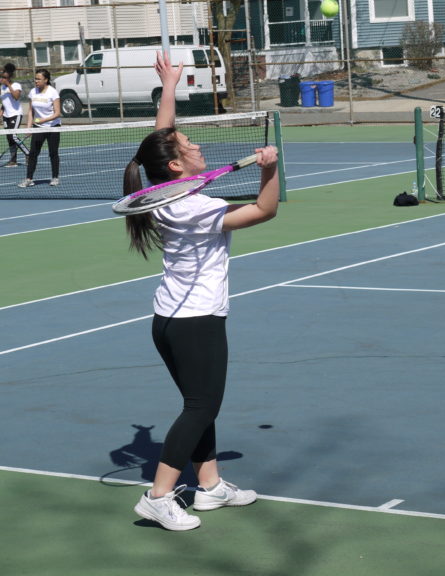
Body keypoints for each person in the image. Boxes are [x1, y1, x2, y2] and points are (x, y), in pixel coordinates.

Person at [124, 51, 279, 531]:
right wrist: (270, 170)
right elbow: (264, 212)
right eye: (189, 144)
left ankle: (208, 486)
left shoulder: (161, 193)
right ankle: (158, 495)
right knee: (201, 405)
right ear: (176, 165)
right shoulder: (195, 208)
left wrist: (169, 87)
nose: (195, 145)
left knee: (199, 399)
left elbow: (160, 137)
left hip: (168, 320)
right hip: (195, 320)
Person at [18, 69, 61, 188]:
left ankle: (55, 177)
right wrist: (28, 128)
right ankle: (29, 179)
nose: (36, 81)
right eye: (35, 79)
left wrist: (44, 120)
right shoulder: (33, 92)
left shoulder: (53, 92)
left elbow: (57, 113)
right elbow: (31, 111)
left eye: (38, 79)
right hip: (38, 127)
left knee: (53, 153)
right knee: (33, 154)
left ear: (46, 80)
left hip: (53, 127)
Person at [0, 62, 30, 168]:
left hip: (16, 114)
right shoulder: (1, 88)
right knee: (9, 138)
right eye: (1, 77)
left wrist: (8, 85)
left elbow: (16, 97)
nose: (1, 79)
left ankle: (28, 154)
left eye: (4, 77)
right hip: (6, 116)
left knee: (13, 136)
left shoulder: (16, 85)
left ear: (9, 78)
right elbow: (4, 103)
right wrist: (1, 113)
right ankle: (13, 160)